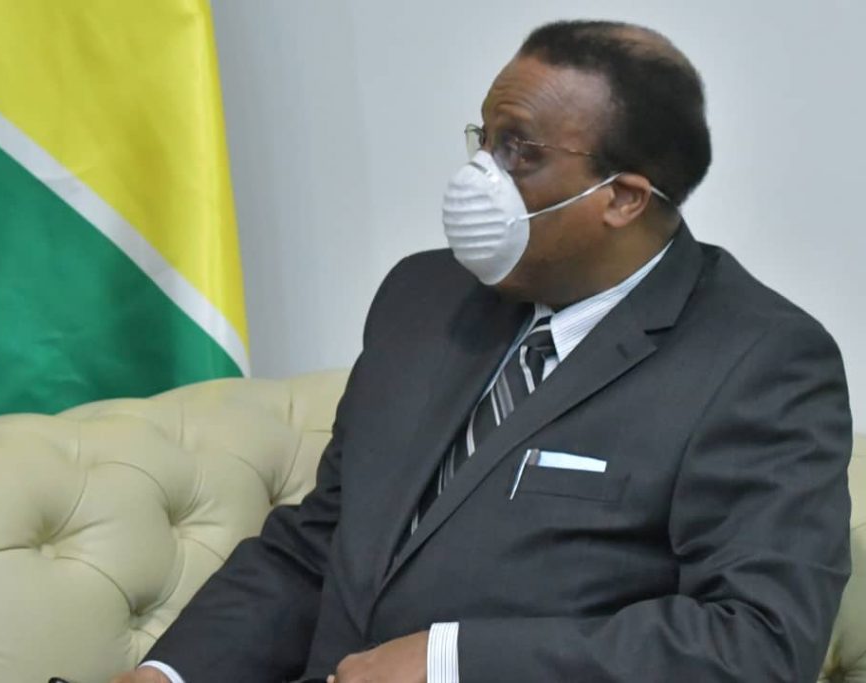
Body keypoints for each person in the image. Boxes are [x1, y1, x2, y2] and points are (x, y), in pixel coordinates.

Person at [112, 19, 852, 683]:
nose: (481, 177)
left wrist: (451, 662)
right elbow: (325, 542)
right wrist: (172, 672)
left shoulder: (761, 361)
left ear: (623, 198)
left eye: (519, 151)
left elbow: (756, 641)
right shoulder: (423, 298)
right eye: (486, 139)